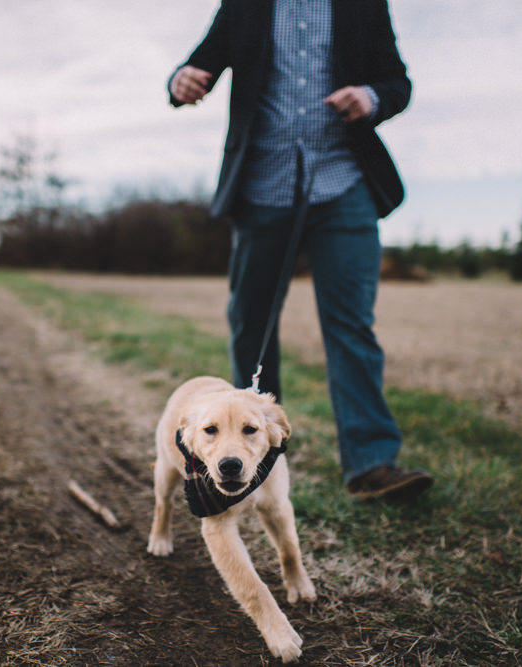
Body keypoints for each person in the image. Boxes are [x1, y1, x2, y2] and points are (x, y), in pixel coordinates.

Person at [169, 0, 432, 500]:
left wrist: (371, 97)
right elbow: (198, 63)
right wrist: (182, 80)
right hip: (262, 188)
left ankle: (372, 464)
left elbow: (396, 83)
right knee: (252, 324)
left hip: (343, 185)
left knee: (352, 324)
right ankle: (251, 461)